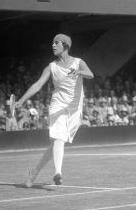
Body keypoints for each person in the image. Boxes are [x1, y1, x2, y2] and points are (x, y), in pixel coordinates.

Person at [16, 33, 94, 187]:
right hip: (57, 105)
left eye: (56, 43)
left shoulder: (78, 62)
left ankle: (34, 172)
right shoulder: (51, 66)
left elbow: (90, 74)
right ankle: (58, 173)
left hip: (74, 108)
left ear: (65, 45)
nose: (53, 45)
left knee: (57, 144)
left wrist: (79, 72)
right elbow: (37, 85)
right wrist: (21, 100)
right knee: (58, 138)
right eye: (52, 43)